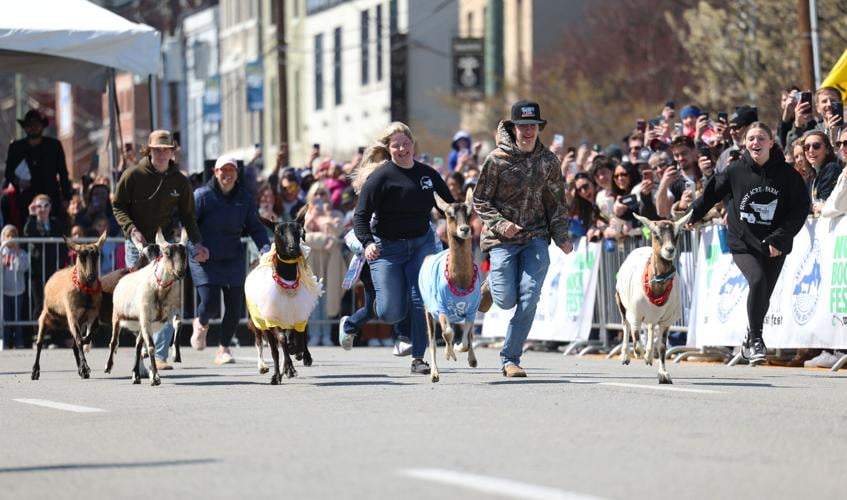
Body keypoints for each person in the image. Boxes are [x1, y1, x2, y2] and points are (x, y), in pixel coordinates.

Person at [688, 122, 810, 364]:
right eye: (751, 138)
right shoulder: (735, 171)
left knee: (763, 293)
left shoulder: (787, 175)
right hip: (743, 241)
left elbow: (800, 209)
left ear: (771, 142)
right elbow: (711, 192)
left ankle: (749, 339)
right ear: (745, 143)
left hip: (774, 242)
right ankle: (756, 339)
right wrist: (693, 214)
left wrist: (781, 237)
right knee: (757, 279)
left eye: (761, 138)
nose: (756, 143)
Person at [473, 100, 573, 377]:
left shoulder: (549, 161)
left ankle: (510, 358)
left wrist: (561, 236)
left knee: (529, 297)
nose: (528, 131)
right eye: (523, 126)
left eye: (533, 126)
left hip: (536, 237)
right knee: (505, 300)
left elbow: (556, 202)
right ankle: (492, 284)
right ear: (513, 127)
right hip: (503, 240)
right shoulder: (496, 160)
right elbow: (480, 200)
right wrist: (501, 224)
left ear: (539, 127)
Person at [352, 121, 455, 375]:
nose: (402, 149)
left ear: (413, 145)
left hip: (421, 244)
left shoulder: (427, 174)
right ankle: (361, 314)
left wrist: (457, 220)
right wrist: (367, 243)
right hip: (387, 249)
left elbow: (449, 205)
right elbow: (360, 216)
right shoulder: (380, 178)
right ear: (389, 149)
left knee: (421, 299)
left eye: (406, 143)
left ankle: (419, 358)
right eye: (396, 145)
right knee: (389, 311)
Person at [112, 130, 209, 371]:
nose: (162, 152)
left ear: (172, 151)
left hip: (165, 244)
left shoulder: (179, 180)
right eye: (158, 148)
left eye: (167, 148)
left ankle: (159, 355)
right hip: (138, 242)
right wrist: (131, 229)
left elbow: (188, 216)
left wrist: (197, 243)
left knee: (167, 297)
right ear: (149, 150)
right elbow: (118, 206)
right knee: (142, 300)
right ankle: (141, 356)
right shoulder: (133, 175)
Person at [189, 156, 269, 364]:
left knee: (235, 307)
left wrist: (265, 248)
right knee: (210, 303)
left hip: (232, 257)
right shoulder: (202, 196)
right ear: (215, 172)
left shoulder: (245, 197)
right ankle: (201, 323)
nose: (227, 174)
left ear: (237, 173)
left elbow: (255, 227)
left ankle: (223, 349)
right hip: (205, 257)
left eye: (231, 170)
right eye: (223, 170)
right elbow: (189, 227)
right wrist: (196, 247)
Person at [4, 110, 72, 220]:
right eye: (29, 125)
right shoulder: (16, 148)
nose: (33, 127)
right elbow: (8, 173)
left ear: (42, 126)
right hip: (25, 199)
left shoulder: (54, 146)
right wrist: (19, 181)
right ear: (25, 128)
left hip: (50, 197)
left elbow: (63, 173)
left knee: (51, 230)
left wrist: (66, 198)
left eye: (36, 124)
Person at [1, 225, 29, 350]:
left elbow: (23, 267)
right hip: (4, 291)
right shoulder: (1, 252)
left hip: (18, 290)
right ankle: (5, 342)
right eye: (8, 236)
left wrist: (17, 254)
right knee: (5, 318)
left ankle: (19, 342)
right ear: (3, 238)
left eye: (13, 235)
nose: (11, 238)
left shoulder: (22, 253)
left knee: (17, 319)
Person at [802, 131, 841, 216]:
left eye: (816, 146)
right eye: (807, 147)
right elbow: (800, 202)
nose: (810, 150)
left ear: (827, 150)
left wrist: (808, 207)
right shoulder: (810, 175)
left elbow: (823, 200)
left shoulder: (832, 168)